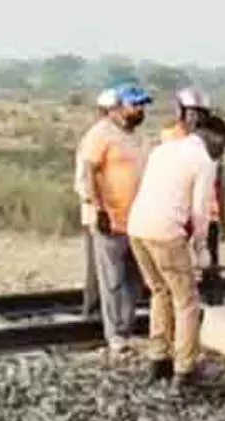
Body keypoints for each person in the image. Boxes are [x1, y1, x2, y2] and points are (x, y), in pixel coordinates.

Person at [127, 114, 225, 391]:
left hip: (136, 226)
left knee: (160, 291)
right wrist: (201, 247)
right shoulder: (205, 162)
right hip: (166, 231)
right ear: (213, 138)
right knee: (186, 301)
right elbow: (200, 211)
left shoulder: (163, 149)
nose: (222, 152)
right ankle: (185, 370)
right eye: (222, 146)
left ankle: (158, 358)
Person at [77, 83, 152, 354]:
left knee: (135, 279)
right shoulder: (100, 135)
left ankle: (126, 327)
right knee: (112, 279)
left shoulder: (140, 137)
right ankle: (115, 334)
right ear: (118, 107)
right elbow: (88, 174)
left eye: (143, 105)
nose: (140, 110)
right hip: (110, 217)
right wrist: (98, 209)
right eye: (135, 104)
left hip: (137, 220)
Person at [161, 88, 225, 299]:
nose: (195, 118)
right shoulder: (169, 138)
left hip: (208, 210)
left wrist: (223, 217)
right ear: (180, 112)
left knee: (210, 260)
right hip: (180, 211)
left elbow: (219, 181)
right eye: (190, 112)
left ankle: (212, 300)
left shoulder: (212, 140)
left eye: (200, 114)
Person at [74, 88, 121, 321]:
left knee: (106, 268)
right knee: (101, 269)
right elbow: (84, 179)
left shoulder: (113, 135)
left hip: (111, 212)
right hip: (100, 213)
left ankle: (101, 314)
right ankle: (94, 314)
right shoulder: (98, 137)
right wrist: (98, 208)